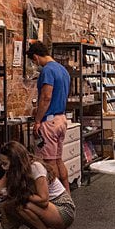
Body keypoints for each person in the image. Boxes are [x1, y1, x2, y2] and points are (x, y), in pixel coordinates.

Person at [26, 41, 71, 190]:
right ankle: (66, 195)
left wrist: (37, 120)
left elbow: (46, 97)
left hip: (50, 122)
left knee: (49, 163)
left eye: (33, 61)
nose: (34, 64)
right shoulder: (63, 70)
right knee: (58, 160)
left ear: (36, 57)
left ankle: (56, 198)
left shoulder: (48, 70)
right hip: (61, 119)